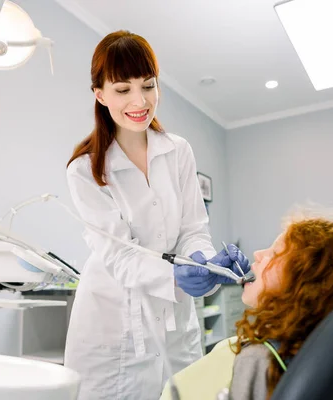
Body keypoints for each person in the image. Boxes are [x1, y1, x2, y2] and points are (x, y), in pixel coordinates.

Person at [64, 30, 248, 400]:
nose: (139, 100)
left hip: (176, 323)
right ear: (99, 94)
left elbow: (194, 229)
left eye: (148, 86)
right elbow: (120, 256)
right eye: (122, 89)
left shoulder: (178, 151)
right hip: (113, 326)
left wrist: (205, 261)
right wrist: (177, 275)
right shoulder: (85, 170)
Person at [160, 212, 333, 400]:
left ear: (307, 285)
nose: (257, 254)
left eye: (274, 253)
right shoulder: (315, 350)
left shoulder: (256, 361)